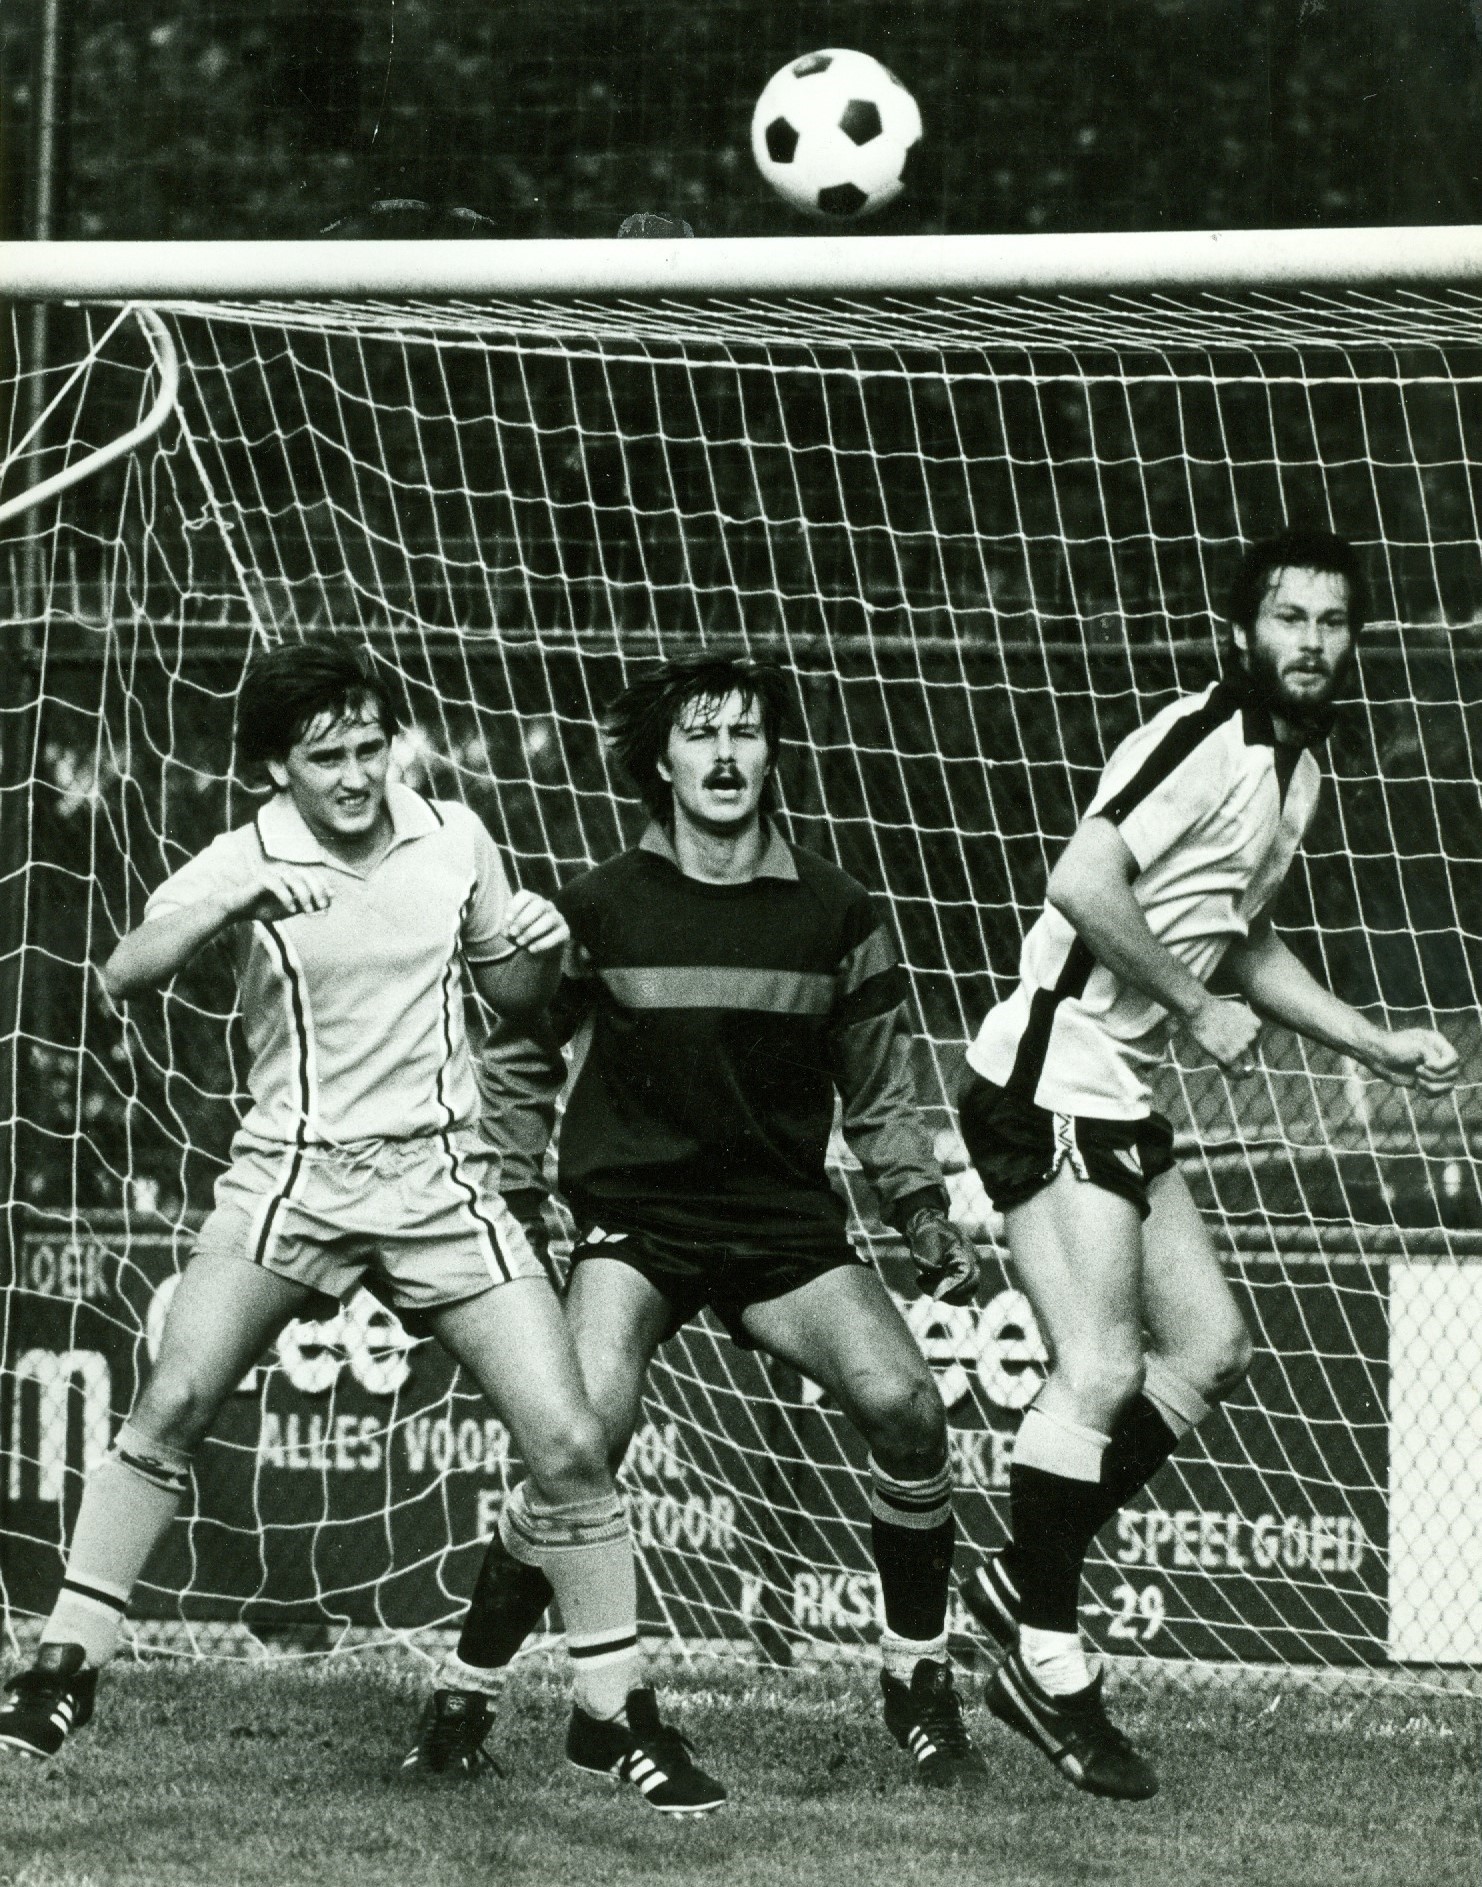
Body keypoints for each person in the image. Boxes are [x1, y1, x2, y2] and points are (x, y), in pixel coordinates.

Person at [0, 636, 723, 1815]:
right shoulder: (247, 854)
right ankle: (63, 1668)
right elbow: (125, 973)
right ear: (276, 769)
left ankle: (613, 1713)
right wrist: (231, 900)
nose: (353, 775)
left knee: (570, 1439)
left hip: (440, 1184)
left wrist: (537, 950)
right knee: (173, 1403)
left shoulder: (453, 836)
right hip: (293, 1179)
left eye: (369, 748)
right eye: (324, 757)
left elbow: (514, 1001)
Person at [407, 654, 989, 1790]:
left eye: (747, 733)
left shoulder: (837, 910)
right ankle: (466, 1691)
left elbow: (880, 1092)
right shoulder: (597, 907)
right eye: (701, 734)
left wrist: (919, 1209)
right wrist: (514, 1201)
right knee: (584, 1435)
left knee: (908, 1407)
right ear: (662, 763)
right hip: (637, 1221)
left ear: (773, 757)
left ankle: (918, 1680)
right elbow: (518, 1061)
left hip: (782, 1225)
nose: (726, 756)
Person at [955, 530, 1459, 1800]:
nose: (1311, 641)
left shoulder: (1301, 770)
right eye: (1289, 617)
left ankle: (1020, 1578)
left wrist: (1374, 1043)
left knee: (1212, 1351)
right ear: (1243, 632)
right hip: (1043, 1078)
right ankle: (1047, 1663)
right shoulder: (1203, 738)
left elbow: (1243, 942)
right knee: (1100, 1367)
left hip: (1117, 1093)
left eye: (1332, 622)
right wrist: (1189, 1004)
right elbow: (1081, 881)